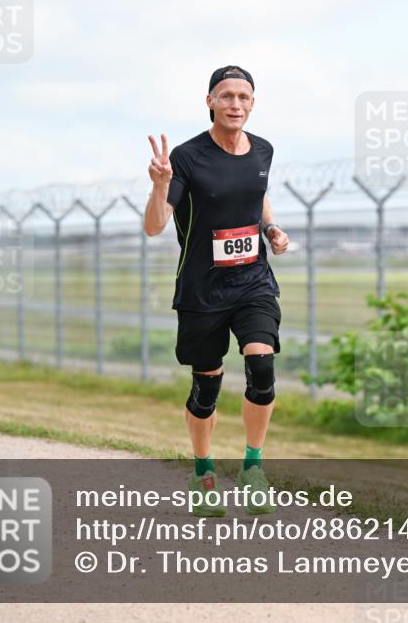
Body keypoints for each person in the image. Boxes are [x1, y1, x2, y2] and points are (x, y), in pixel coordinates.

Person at [143, 65, 289, 516]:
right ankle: (203, 471)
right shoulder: (186, 158)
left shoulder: (263, 149)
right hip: (203, 291)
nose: (235, 104)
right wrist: (161, 185)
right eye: (226, 96)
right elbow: (154, 227)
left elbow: (257, 193)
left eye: (243, 97)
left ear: (253, 103)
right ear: (210, 101)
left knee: (261, 368)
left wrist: (271, 228)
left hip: (253, 283)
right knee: (206, 389)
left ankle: (252, 468)